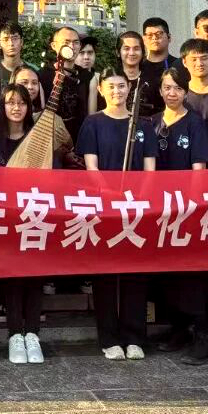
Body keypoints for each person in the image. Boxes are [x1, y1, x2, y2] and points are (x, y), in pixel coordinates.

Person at [78, 71, 156, 362]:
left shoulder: (143, 124)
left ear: (130, 89)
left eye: (122, 86)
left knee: (136, 274)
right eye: (110, 86)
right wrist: (110, 197)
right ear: (101, 90)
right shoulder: (93, 123)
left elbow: (150, 170)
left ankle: (135, 337)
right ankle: (109, 338)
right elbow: (91, 167)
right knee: (106, 275)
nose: (117, 91)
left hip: (136, 208)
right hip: (105, 208)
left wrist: (138, 200)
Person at [152, 65, 208, 366]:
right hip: (158, 210)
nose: (172, 93)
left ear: (185, 92)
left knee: (192, 271)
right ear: (160, 91)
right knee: (167, 272)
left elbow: (199, 169)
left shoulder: (195, 123)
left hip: (186, 209)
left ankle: (203, 334)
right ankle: (178, 328)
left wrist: (192, 206)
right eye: (167, 87)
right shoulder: (151, 123)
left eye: (178, 88)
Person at [0, 83, 46, 365]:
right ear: (3, 107)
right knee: (11, 279)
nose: (16, 108)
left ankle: (32, 334)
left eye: (22, 103)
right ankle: (14, 336)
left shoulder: (39, 141)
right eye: (10, 102)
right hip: (6, 220)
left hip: (35, 218)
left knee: (34, 277)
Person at [36, 25, 91, 140]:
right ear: (54, 46)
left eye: (76, 42)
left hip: (80, 138)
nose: (71, 47)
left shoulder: (87, 76)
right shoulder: (42, 76)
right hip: (49, 139)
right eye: (66, 42)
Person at [0, 19, 33, 92]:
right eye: (5, 39)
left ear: (21, 42)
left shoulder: (33, 70)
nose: (11, 43)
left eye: (15, 38)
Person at [76, 36, 101, 117]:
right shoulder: (68, 78)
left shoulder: (101, 79)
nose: (86, 57)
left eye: (90, 53)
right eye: (81, 53)